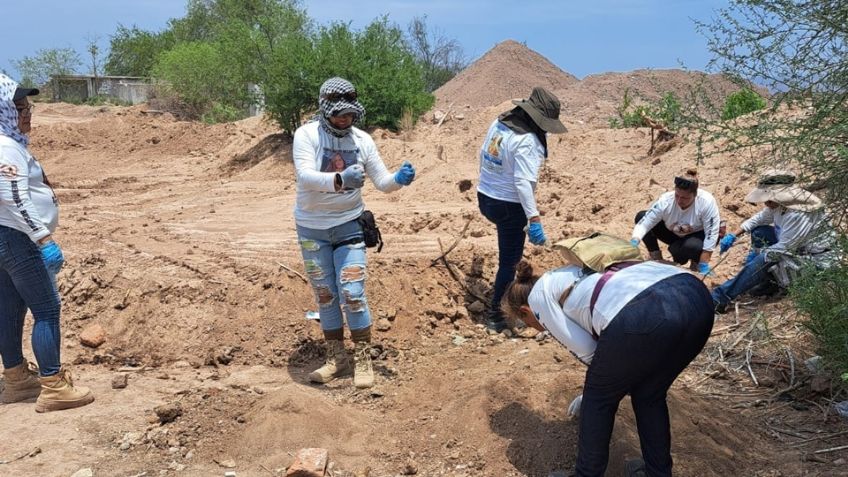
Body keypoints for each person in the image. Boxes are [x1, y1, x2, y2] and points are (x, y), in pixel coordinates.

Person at [502, 259, 714, 477]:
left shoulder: (537, 299)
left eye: (527, 324)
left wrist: (595, 392)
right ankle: (657, 472)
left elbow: (587, 350)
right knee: (649, 394)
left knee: (599, 396)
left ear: (525, 311)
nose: (535, 328)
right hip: (695, 297)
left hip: (645, 311)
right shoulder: (564, 273)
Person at [293, 77, 416, 389]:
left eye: (350, 114)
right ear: (324, 109)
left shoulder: (362, 140)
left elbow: (382, 182)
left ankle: (362, 358)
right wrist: (341, 178)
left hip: (349, 225)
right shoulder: (306, 135)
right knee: (325, 295)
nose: (345, 119)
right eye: (339, 114)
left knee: (352, 293)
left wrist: (399, 179)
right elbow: (306, 176)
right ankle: (336, 358)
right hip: (312, 229)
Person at [0, 74, 94, 412]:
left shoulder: (7, 142)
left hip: (5, 238)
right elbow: (13, 198)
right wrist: (44, 239)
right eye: (21, 107)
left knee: (9, 311)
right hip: (17, 239)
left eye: (28, 106)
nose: (28, 113)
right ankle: (54, 386)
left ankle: (16, 380)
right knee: (47, 309)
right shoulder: (6, 146)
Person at [477, 86, 567, 332]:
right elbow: (522, 183)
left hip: (486, 197)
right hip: (509, 205)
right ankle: (497, 313)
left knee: (507, 253)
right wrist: (534, 219)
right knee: (510, 261)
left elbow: (482, 154)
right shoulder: (527, 140)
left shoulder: (500, 123)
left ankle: (505, 305)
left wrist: (485, 184)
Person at [713, 170, 837, 313]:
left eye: (768, 199)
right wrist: (734, 235)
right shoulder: (778, 205)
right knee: (760, 233)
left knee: (764, 259)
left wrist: (757, 261)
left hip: (816, 260)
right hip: (796, 249)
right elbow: (759, 219)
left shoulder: (798, 213)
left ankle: (721, 297)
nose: (766, 203)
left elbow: (783, 248)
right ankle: (767, 282)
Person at [631, 168, 721, 274]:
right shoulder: (665, 201)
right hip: (673, 233)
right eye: (677, 195)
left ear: (695, 195)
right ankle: (655, 256)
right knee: (641, 216)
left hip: (696, 236)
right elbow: (645, 222)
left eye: (684, 198)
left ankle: (696, 262)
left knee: (691, 246)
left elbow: (712, 233)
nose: (679, 200)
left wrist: (704, 263)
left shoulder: (706, 202)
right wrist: (634, 240)